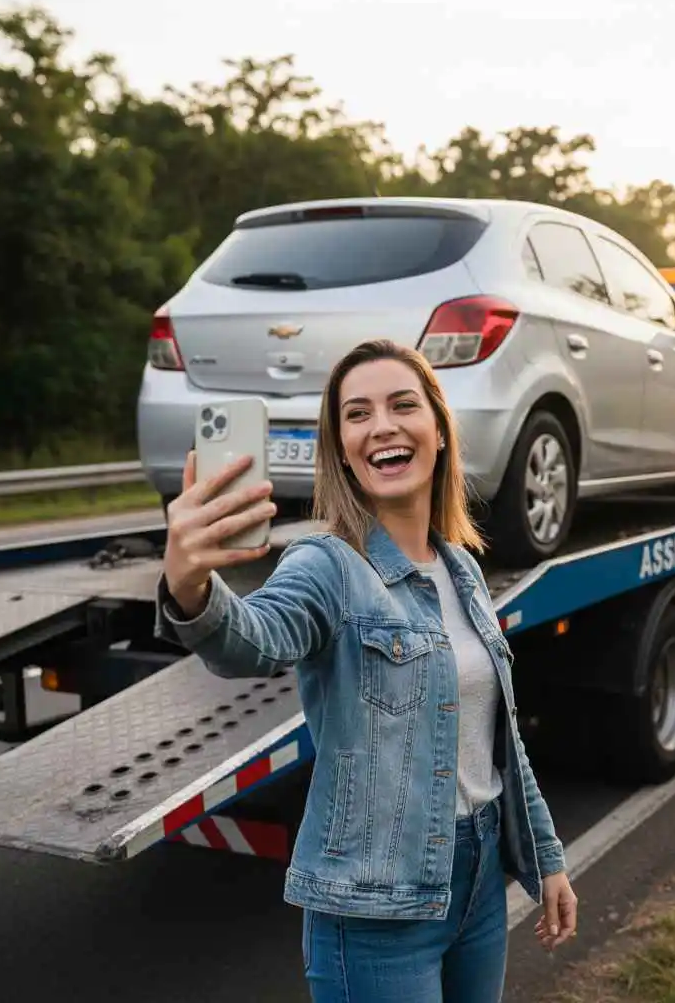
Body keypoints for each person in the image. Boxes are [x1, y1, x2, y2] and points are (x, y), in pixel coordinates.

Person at [154, 338, 578, 1002]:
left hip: (478, 884)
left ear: (438, 431)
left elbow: (498, 739)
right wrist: (190, 587)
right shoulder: (327, 566)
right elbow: (253, 642)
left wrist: (545, 859)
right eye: (356, 414)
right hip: (374, 908)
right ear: (342, 448)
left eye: (402, 405)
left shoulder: (462, 567)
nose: (381, 425)